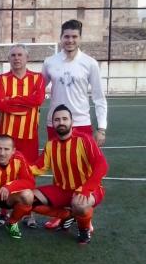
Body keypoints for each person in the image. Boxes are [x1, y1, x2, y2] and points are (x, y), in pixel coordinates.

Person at [42, 19, 107, 229]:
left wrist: (102, 127)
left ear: (80, 38)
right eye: (66, 36)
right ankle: (62, 214)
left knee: (84, 170)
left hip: (81, 123)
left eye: (74, 36)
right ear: (60, 38)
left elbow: (99, 97)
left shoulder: (90, 63)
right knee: (58, 168)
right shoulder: (50, 62)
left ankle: (84, 214)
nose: (70, 40)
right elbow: (38, 90)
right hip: (54, 123)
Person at [30, 105, 108, 245]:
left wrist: (86, 189)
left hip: (88, 190)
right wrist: (14, 169)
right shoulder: (51, 145)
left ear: (72, 121)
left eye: (65, 119)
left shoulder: (84, 140)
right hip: (62, 190)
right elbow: (37, 168)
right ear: (53, 123)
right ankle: (67, 215)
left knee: (79, 204)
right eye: (57, 120)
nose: (61, 122)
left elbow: (102, 165)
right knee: (26, 199)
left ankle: (84, 230)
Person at [0, 43, 45, 228]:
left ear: (27, 58)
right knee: (4, 172)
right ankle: (3, 212)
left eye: (20, 55)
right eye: (13, 55)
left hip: (28, 136)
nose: (16, 58)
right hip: (6, 136)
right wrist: (25, 103)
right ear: (8, 58)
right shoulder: (1, 79)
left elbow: (38, 99)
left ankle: (29, 213)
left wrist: (12, 100)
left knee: (28, 172)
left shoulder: (38, 78)